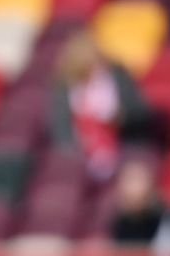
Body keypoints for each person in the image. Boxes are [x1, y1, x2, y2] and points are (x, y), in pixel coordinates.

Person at [48, 30, 154, 181]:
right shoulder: (65, 88)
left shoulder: (119, 77)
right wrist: (80, 142)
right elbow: (62, 129)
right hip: (85, 155)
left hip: (124, 147)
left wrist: (119, 118)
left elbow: (141, 112)